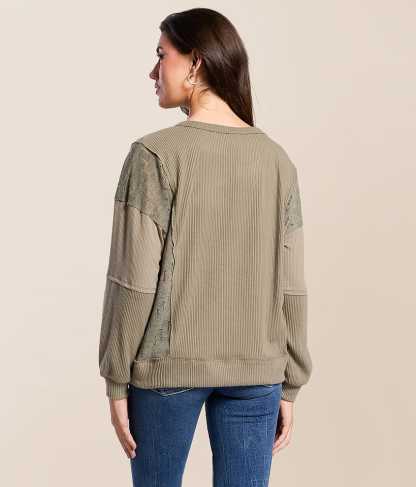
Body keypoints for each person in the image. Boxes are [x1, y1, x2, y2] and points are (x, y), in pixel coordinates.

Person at [98, 7, 313, 487]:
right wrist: (291, 381)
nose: (153, 71)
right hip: (259, 370)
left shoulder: (154, 155)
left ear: (195, 62)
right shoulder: (277, 161)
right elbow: (292, 285)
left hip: (166, 370)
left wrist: (116, 377)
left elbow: (132, 282)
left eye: (162, 56)